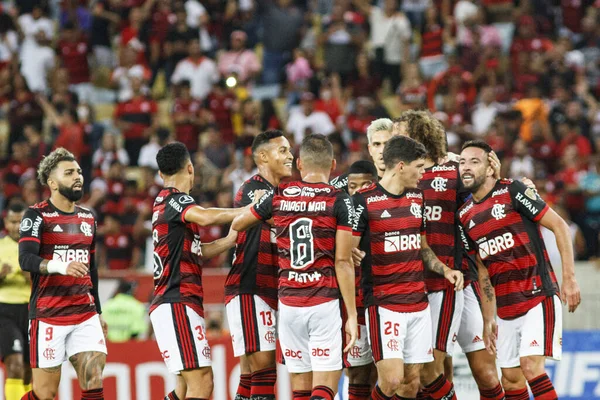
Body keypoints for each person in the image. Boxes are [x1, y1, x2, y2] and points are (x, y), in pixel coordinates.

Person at [232, 134, 358, 400]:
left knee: (300, 390)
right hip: (322, 301)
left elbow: (240, 223)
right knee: (325, 385)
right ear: (333, 164)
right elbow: (344, 262)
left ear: (299, 164)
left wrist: (277, 222)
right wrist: (353, 316)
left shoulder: (279, 196)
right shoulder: (339, 199)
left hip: (288, 303)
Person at [393, 110, 505, 399]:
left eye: (400, 131)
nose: (395, 136)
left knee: (482, 371)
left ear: (419, 135)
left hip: (457, 279)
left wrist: (499, 178)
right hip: (415, 283)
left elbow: (487, 198)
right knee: (421, 373)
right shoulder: (398, 178)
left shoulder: (453, 169)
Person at [457, 140, 581, 400]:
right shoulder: (464, 216)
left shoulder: (513, 190)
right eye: (462, 162)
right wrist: (489, 317)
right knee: (511, 381)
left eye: (474, 161)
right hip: (505, 308)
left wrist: (569, 279)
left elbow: (559, 226)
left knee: (530, 367)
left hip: (538, 295)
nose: (466, 168)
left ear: (491, 168)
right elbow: (482, 271)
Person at [351, 135, 464, 400]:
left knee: (412, 381)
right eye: (419, 166)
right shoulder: (363, 201)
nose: (423, 173)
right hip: (384, 305)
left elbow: (423, 247)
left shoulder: (417, 198)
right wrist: (350, 253)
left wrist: (445, 270)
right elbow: (346, 253)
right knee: (391, 381)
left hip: (418, 303)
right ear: (401, 166)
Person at [150, 142, 250, 400]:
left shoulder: (162, 204)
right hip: (176, 301)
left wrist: (228, 241)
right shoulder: (176, 199)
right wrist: (249, 210)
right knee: (203, 383)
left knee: (183, 389)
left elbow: (197, 251)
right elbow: (205, 217)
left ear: (161, 173)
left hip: (174, 303)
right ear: (190, 168)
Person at [18, 148, 107, 400]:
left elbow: (92, 268)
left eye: (78, 171)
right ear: (52, 183)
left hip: (84, 312)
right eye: (69, 173)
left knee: (93, 379)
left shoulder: (89, 217)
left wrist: (98, 312)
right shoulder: (36, 215)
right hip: (49, 313)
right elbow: (26, 258)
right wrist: (60, 265)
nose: (78, 176)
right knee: (44, 393)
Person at [224, 130, 294, 400]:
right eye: (283, 150)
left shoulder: (283, 191)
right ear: (263, 157)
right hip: (250, 287)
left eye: (290, 150)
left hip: (273, 289)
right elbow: (284, 219)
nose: (290, 156)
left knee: (250, 374)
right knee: (264, 370)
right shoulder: (254, 189)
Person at [344, 161, 379, 400]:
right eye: (352, 186)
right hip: (355, 306)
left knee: (386, 373)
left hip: (384, 303)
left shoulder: (387, 211)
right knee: (357, 374)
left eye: (364, 185)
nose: (357, 191)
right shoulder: (343, 217)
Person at [0, 202, 31, 400]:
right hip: (5, 310)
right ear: (5, 222)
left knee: (29, 368)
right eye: (13, 222)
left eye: (21, 222)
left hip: (32, 310)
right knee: (15, 363)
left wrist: (31, 276)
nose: (17, 226)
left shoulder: (35, 248)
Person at [330, 118, 392, 193]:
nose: (382, 151)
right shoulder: (343, 183)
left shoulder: (406, 182)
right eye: (377, 144)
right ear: (370, 149)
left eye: (386, 144)